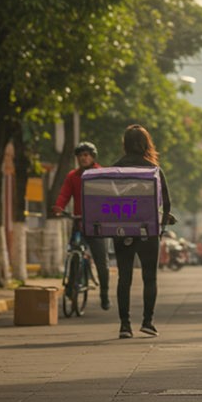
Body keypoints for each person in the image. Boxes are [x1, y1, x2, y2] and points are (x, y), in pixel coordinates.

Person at [110, 124, 171, 339]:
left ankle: (125, 326)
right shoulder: (153, 170)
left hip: (121, 230)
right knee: (149, 277)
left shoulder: (115, 170)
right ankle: (147, 322)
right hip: (147, 231)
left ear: (125, 144)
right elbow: (166, 204)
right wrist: (160, 228)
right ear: (146, 144)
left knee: (124, 277)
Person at [52, 141, 112, 310]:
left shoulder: (101, 174)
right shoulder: (72, 176)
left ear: (92, 157)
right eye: (80, 155)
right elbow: (64, 194)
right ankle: (71, 287)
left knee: (102, 261)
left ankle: (105, 294)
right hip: (78, 222)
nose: (83, 158)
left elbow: (108, 196)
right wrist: (59, 206)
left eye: (86, 155)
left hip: (97, 224)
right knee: (73, 252)